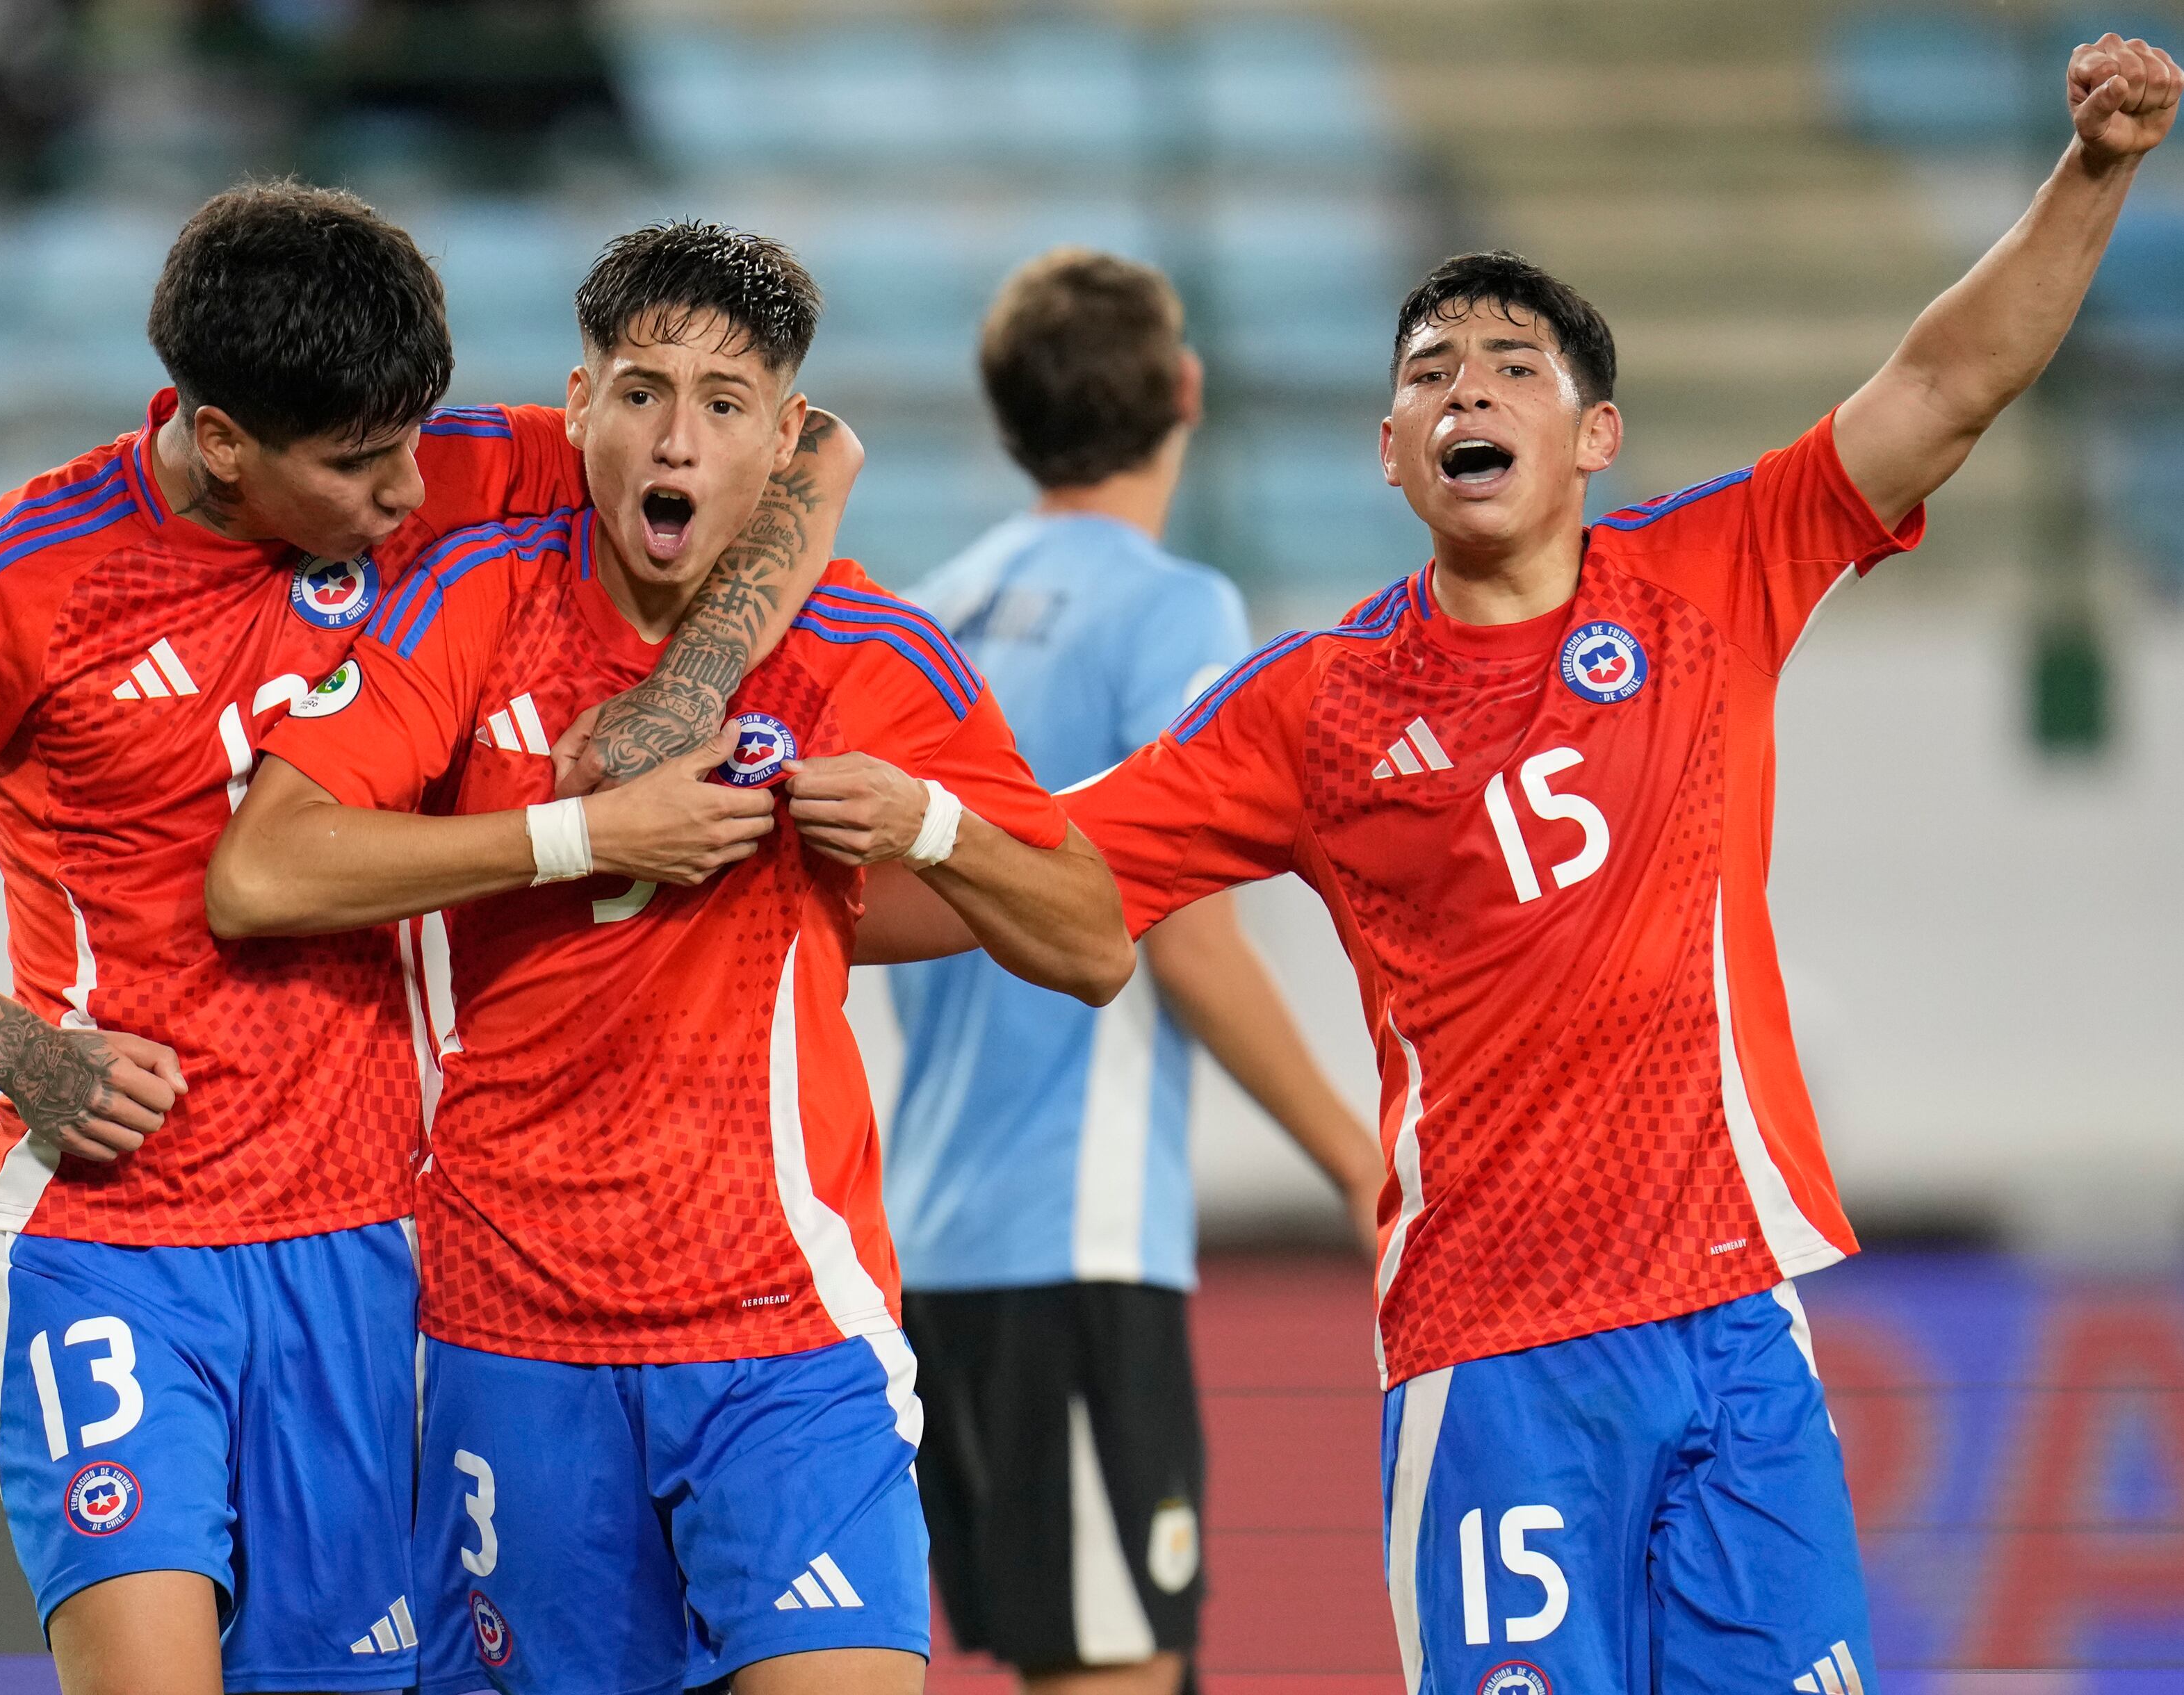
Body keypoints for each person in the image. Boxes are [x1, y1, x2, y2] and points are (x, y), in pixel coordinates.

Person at [874, 33, 2180, 1695]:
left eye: (1512, 365)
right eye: (1430, 372)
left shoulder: (1706, 580)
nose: (1468, 391)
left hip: (1733, 1326)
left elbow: (1943, 386)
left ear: (1596, 433)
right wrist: (819, 888)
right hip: (1494, 1354)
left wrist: (2096, 171)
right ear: (1389, 448)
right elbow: (1056, 867)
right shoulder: (1314, 704)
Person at [0, 182, 857, 1695]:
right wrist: (14, 1047)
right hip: (118, 1238)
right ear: (223, 438)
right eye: (360, 467)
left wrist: (683, 689)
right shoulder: (20, 587)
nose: (405, 493)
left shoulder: (436, 462)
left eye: (413, 446)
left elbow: (816, 453)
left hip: (374, 1245)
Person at [206, 219, 1136, 1695]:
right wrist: (577, 835)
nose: (676, 438)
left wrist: (929, 821)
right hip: (510, 1325)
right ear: (580, 404)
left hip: (785, 1328)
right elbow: (261, 870)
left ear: (784, 436)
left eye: (722, 402)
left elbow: (1091, 939)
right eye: (641, 392)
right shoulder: (474, 598)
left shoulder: (869, 650)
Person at [872, 248, 1383, 1694]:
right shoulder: (1172, 607)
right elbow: (1191, 941)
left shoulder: (921, 612)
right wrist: (1364, 1165)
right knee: (1112, 1670)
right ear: (1186, 391)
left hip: (929, 1238)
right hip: (1076, 1234)